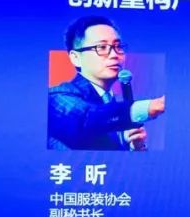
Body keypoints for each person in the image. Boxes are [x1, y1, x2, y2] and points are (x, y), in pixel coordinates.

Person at [48, 15, 166, 150]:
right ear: (76, 58)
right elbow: (87, 118)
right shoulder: (57, 97)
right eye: (102, 47)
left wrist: (133, 148)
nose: (114, 54)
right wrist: (152, 106)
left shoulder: (115, 104)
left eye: (118, 46)